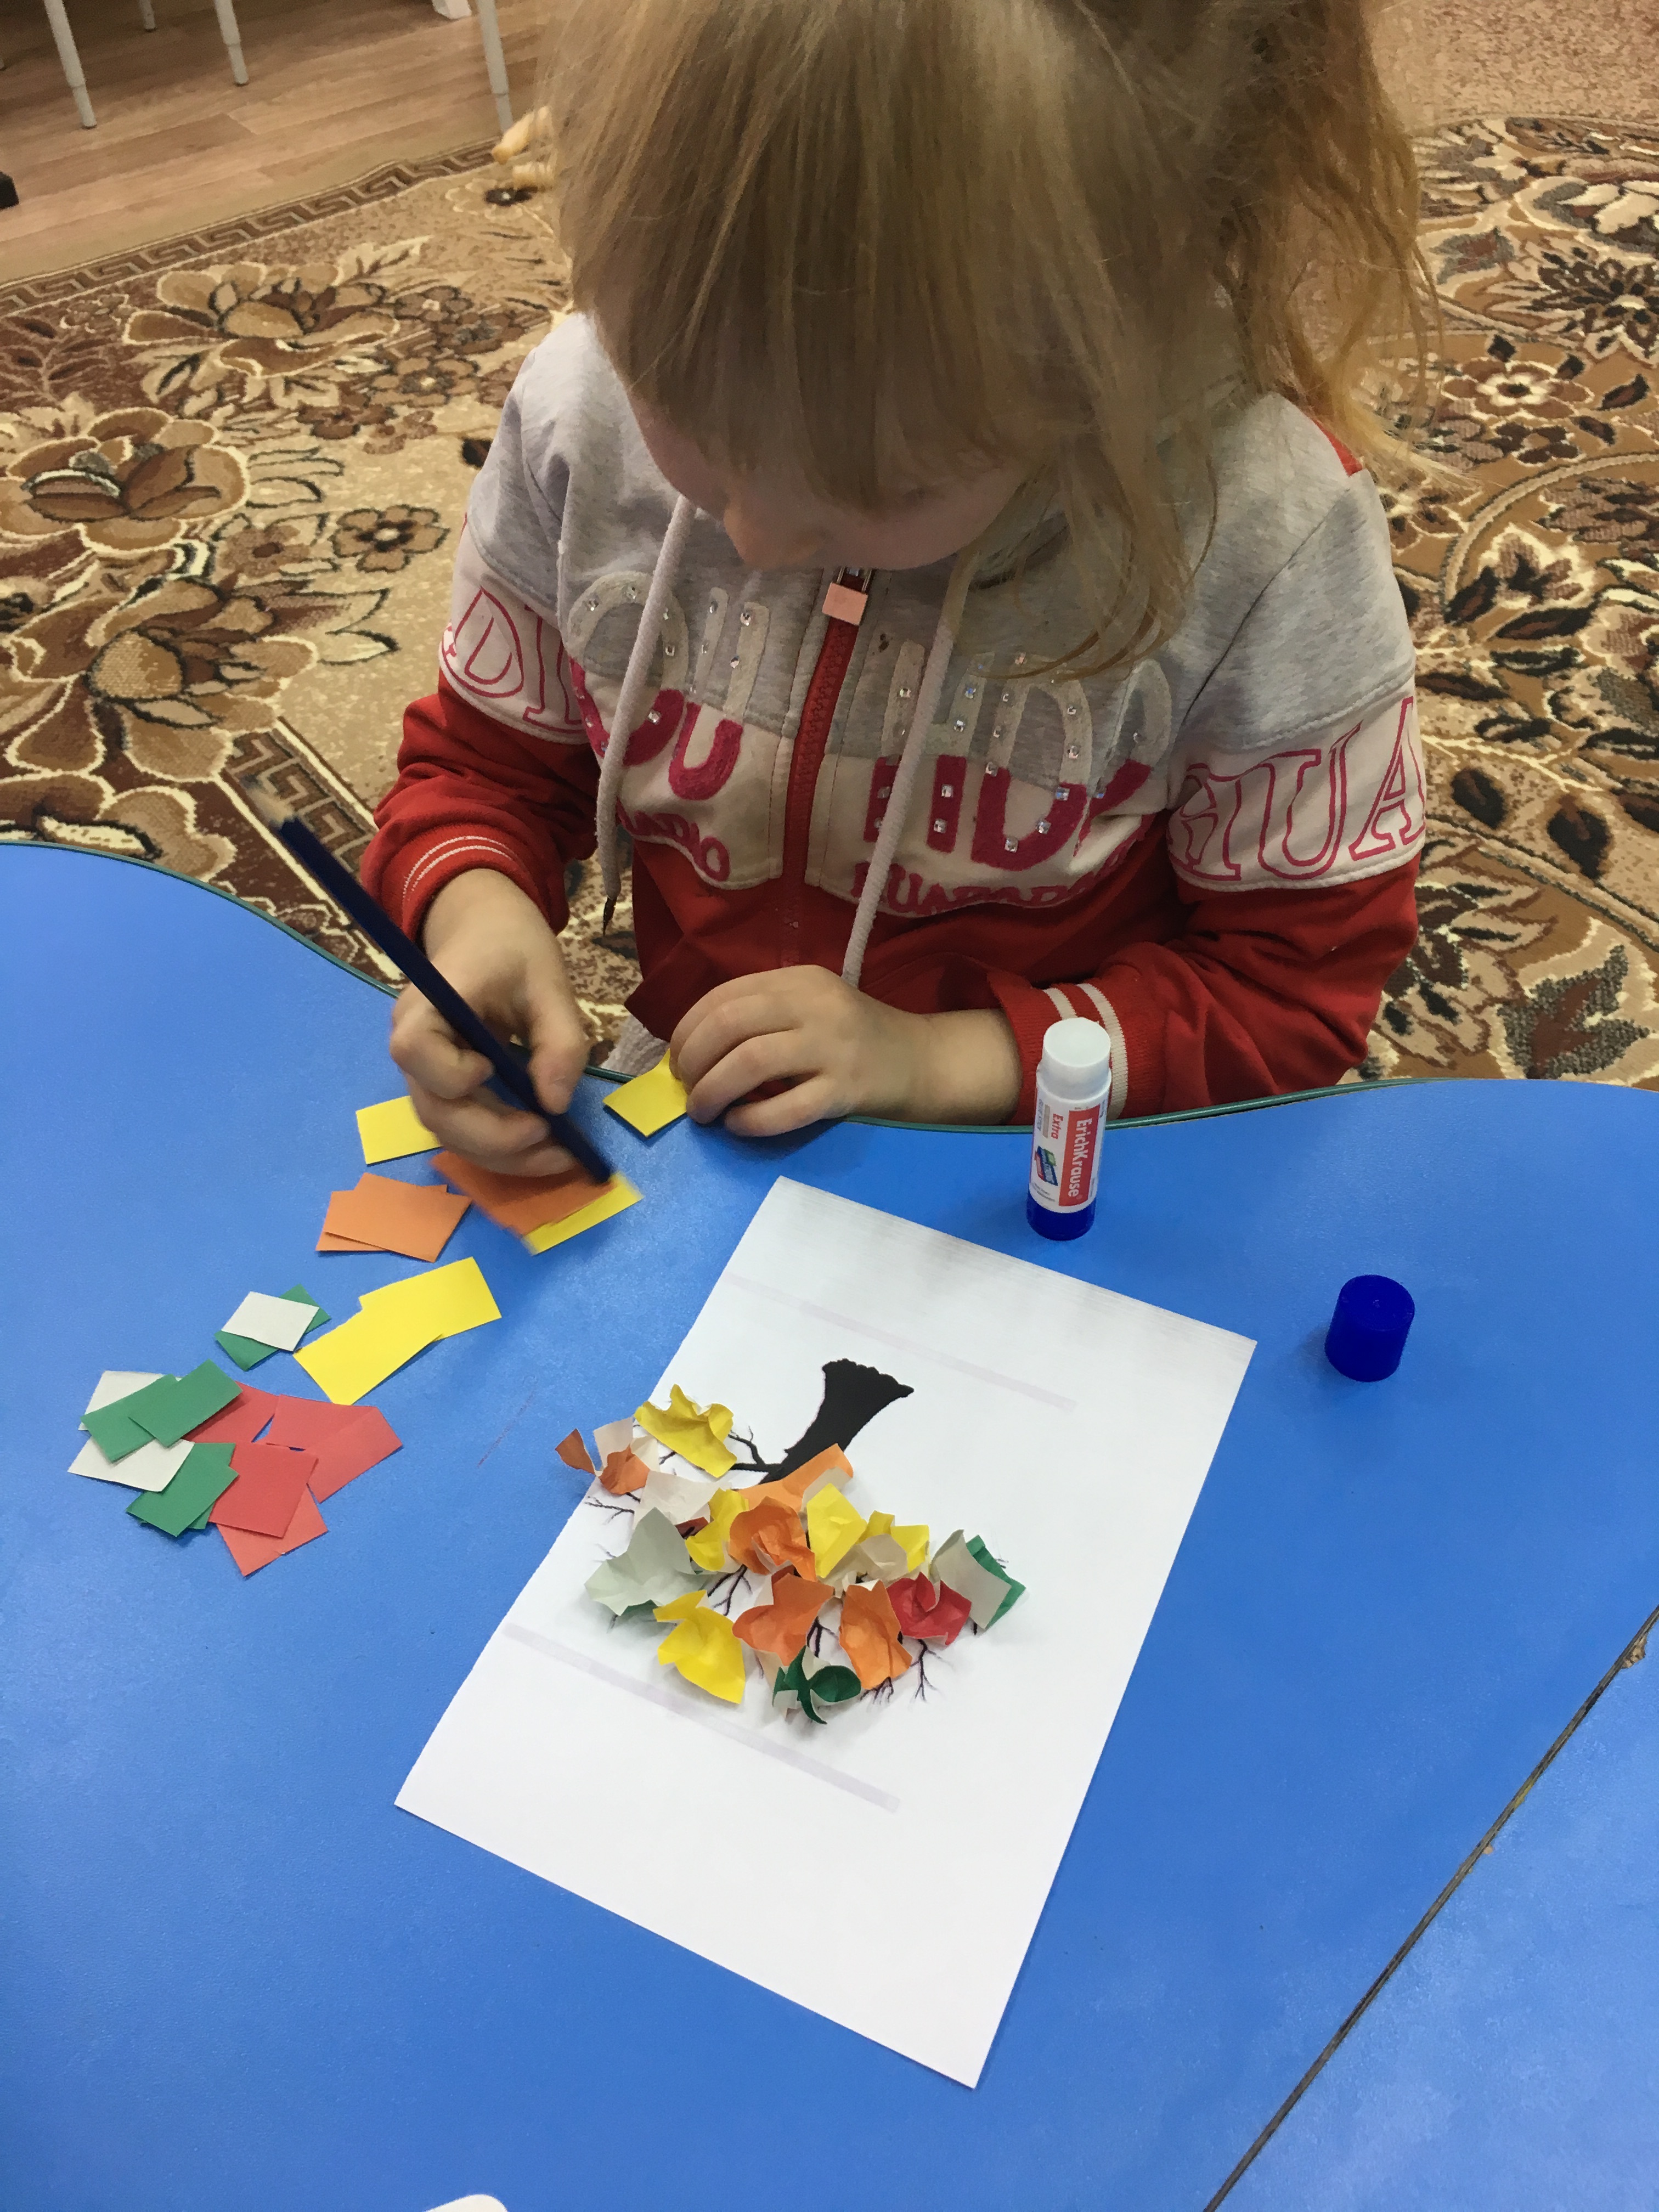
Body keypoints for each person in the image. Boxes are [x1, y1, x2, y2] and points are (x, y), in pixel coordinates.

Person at [364, 0, 1430, 1178]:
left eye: (886, 485)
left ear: (1101, 369)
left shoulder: (1263, 536)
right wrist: (474, 912)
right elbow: (485, 775)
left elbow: (1291, 996)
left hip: (1050, 1153)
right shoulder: (579, 413)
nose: (757, 536)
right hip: (715, 1136)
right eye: (684, 422)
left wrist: (932, 1063)